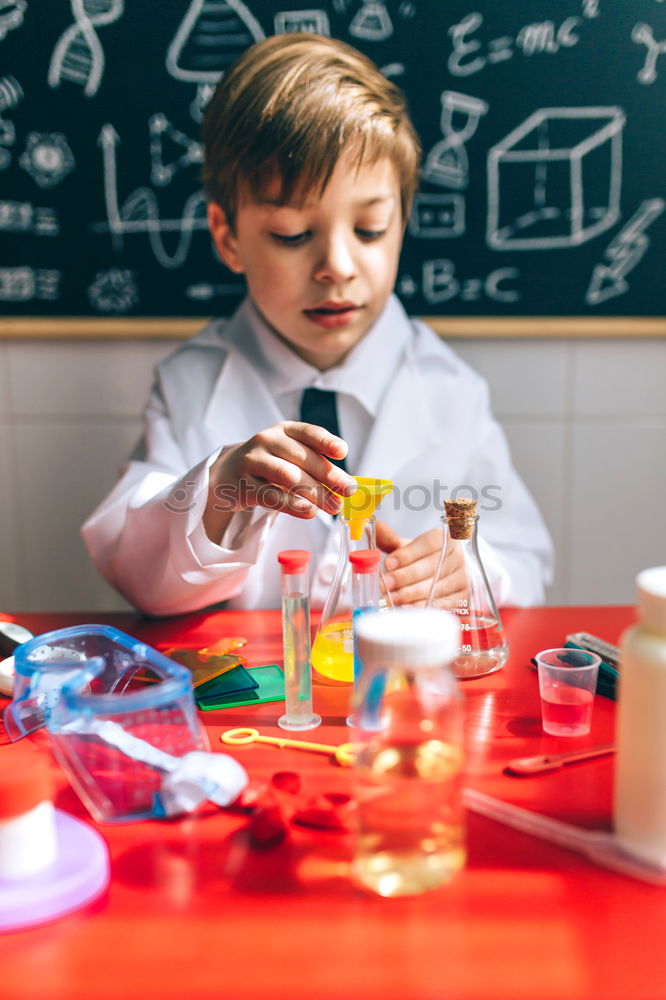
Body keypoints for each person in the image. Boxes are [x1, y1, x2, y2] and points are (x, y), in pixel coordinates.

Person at [82, 34, 552, 616]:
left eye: (371, 229)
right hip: (254, 693)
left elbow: (527, 563)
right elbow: (136, 570)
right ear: (228, 237)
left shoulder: (451, 389)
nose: (337, 267)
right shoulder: (189, 384)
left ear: (403, 222)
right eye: (291, 235)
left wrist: (476, 572)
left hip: (398, 691)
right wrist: (219, 490)